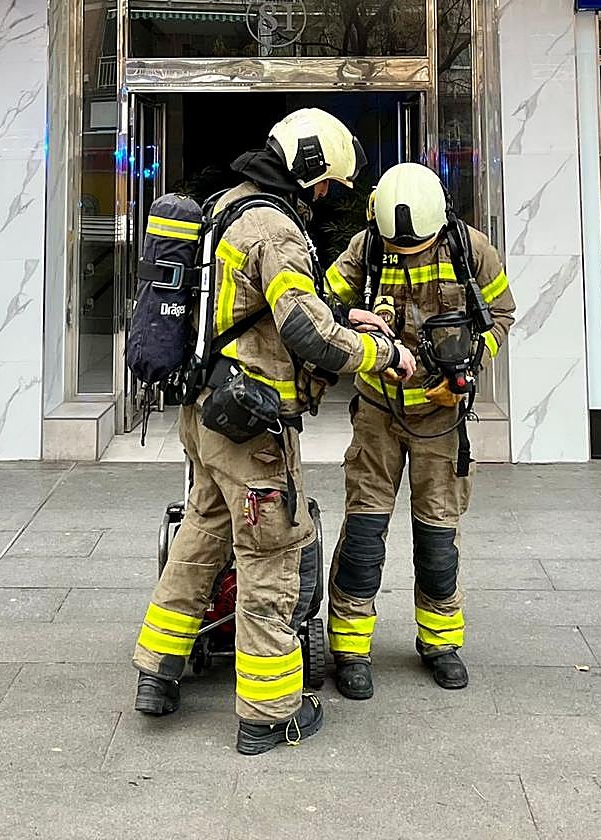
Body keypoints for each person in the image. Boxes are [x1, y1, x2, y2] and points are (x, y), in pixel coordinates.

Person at [131, 109, 416, 755]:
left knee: (202, 536)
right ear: (309, 169)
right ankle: (268, 711)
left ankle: (157, 671)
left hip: (204, 413)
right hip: (252, 423)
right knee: (271, 555)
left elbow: (255, 303)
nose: (326, 197)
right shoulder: (274, 228)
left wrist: (349, 312)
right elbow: (304, 332)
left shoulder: (227, 205)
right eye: (326, 185)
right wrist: (383, 355)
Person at [322, 162, 516, 700]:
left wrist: (467, 373)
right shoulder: (367, 249)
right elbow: (323, 304)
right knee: (364, 537)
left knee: (437, 538)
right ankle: (350, 650)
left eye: (417, 246)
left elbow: (500, 315)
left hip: (440, 420)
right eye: (399, 248)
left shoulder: (470, 249)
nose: (408, 254)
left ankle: (440, 642)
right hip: (378, 413)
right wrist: (356, 321)